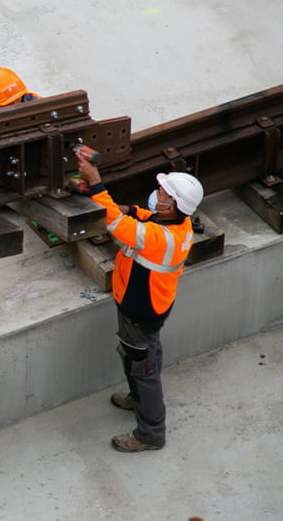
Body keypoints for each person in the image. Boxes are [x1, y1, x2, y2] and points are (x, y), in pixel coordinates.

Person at [76, 152, 203, 452]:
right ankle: (137, 399)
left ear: (171, 203)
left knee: (142, 368)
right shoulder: (176, 223)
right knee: (145, 355)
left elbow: (117, 223)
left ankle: (151, 433)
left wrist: (96, 184)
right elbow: (136, 215)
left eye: (162, 192)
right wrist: (113, 202)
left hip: (140, 310)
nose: (156, 192)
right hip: (149, 307)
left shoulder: (159, 238)